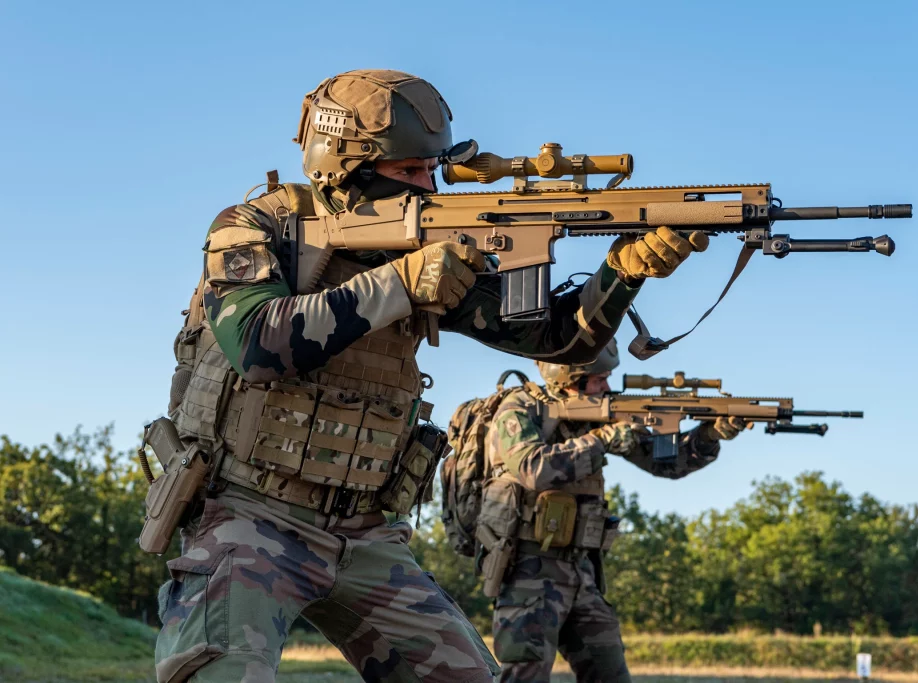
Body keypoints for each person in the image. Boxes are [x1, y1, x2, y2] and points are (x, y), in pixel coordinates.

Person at [154, 69, 708, 683]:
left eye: (433, 170)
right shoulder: (258, 226)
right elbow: (259, 344)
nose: (429, 186)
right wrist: (401, 283)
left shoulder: (422, 249)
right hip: (250, 517)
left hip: (366, 531)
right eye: (410, 171)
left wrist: (624, 270)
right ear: (348, 166)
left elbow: (557, 339)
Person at [483, 340, 746, 682]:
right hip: (530, 570)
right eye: (599, 378)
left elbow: (664, 463)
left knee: (611, 674)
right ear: (569, 377)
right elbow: (533, 468)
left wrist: (709, 436)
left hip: (583, 571)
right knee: (524, 676)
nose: (607, 386)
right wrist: (602, 441)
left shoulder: (603, 414)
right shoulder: (520, 407)